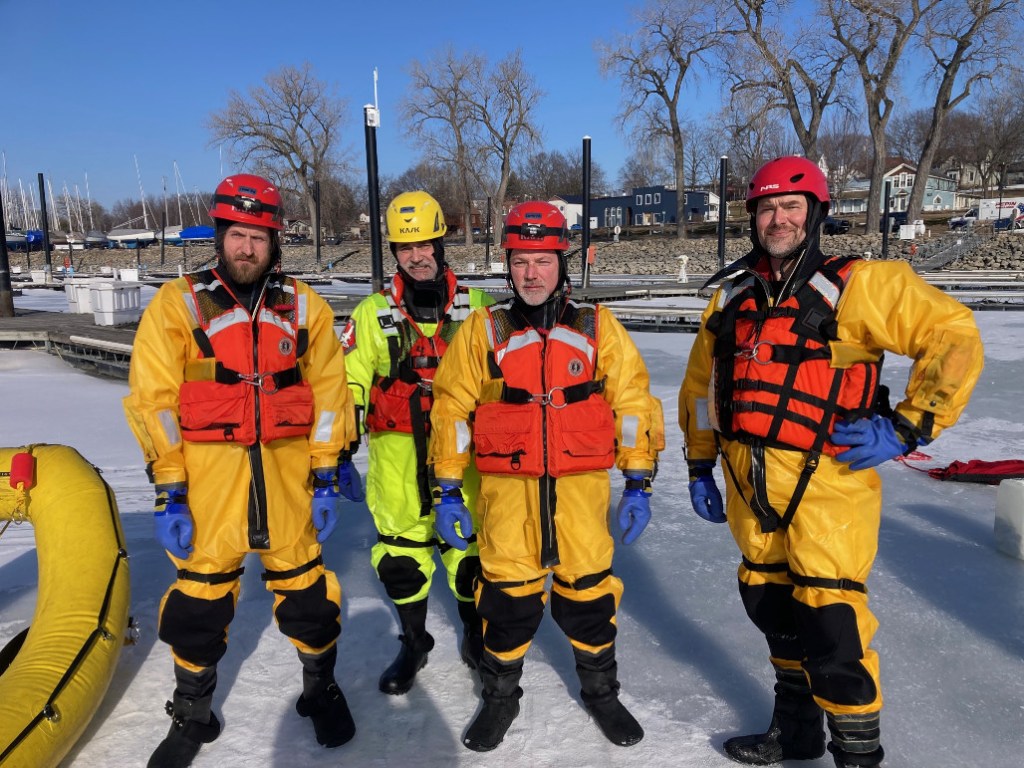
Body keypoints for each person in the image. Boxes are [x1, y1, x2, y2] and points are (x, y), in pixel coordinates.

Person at [678, 156, 983, 768]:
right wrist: (699, 463)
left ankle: (857, 757)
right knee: (771, 606)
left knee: (832, 624)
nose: (778, 219)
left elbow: (954, 333)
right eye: (767, 208)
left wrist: (910, 424)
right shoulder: (732, 297)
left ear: (816, 213)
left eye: (791, 206)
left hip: (827, 484)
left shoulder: (861, 284)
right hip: (748, 484)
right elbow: (702, 388)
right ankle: (795, 733)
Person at [123, 173, 362, 768]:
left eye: (258, 236)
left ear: (274, 241)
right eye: (236, 234)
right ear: (219, 236)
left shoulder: (304, 307)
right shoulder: (178, 304)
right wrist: (169, 490)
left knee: (311, 603)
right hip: (209, 495)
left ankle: (319, 689)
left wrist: (326, 475)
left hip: (288, 491)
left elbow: (330, 399)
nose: (246, 248)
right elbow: (155, 401)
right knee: (197, 610)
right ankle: (192, 712)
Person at [428, 201, 665, 752]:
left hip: (581, 503)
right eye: (520, 261)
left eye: (542, 260)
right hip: (507, 504)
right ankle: (500, 697)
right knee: (506, 605)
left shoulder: (597, 327)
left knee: (590, 601)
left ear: (562, 262)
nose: (531, 273)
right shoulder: (483, 330)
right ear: (507, 265)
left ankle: (601, 693)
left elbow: (632, 404)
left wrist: (638, 480)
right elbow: (451, 410)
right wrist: (447, 489)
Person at [339, 190, 494, 694]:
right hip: (396, 463)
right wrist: (338, 451)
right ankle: (414, 642)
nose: (417, 256)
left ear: (440, 244)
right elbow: (349, 384)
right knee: (402, 560)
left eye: (425, 244)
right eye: (406, 248)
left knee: (469, 555)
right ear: (394, 252)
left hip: (465, 460)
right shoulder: (370, 314)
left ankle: (475, 634)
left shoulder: (481, 310)